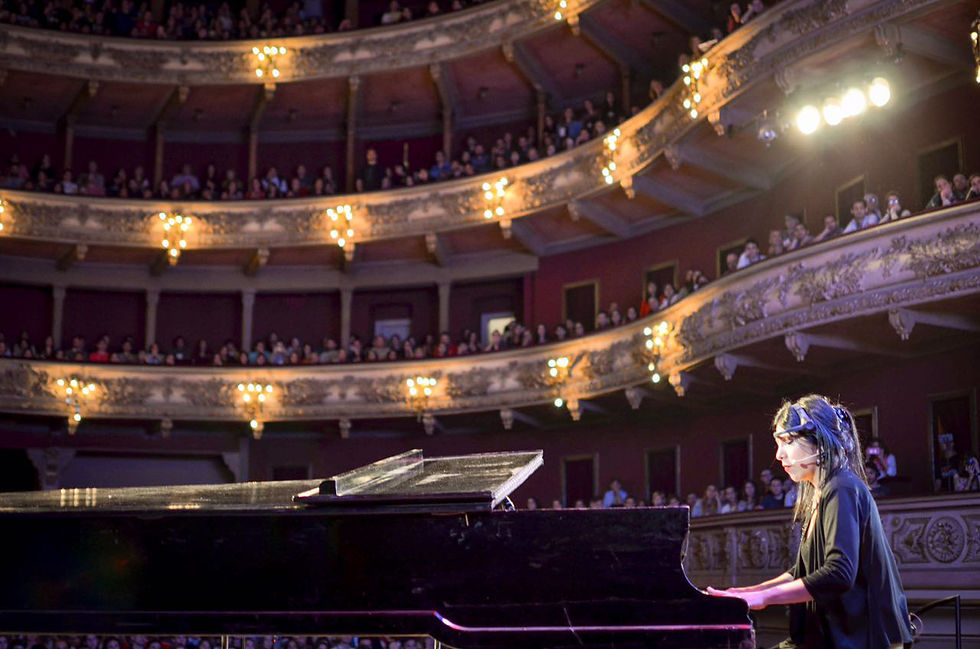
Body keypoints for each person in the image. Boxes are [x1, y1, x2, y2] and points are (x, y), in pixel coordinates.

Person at [707, 395, 913, 649]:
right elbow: (801, 572)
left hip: (864, 638)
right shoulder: (824, 491)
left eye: (788, 442)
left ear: (818, 443)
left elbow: (839, 573)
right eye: (778, 443)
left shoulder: (842, 488)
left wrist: (766, 597)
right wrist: (747, 593)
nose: (779, 455)